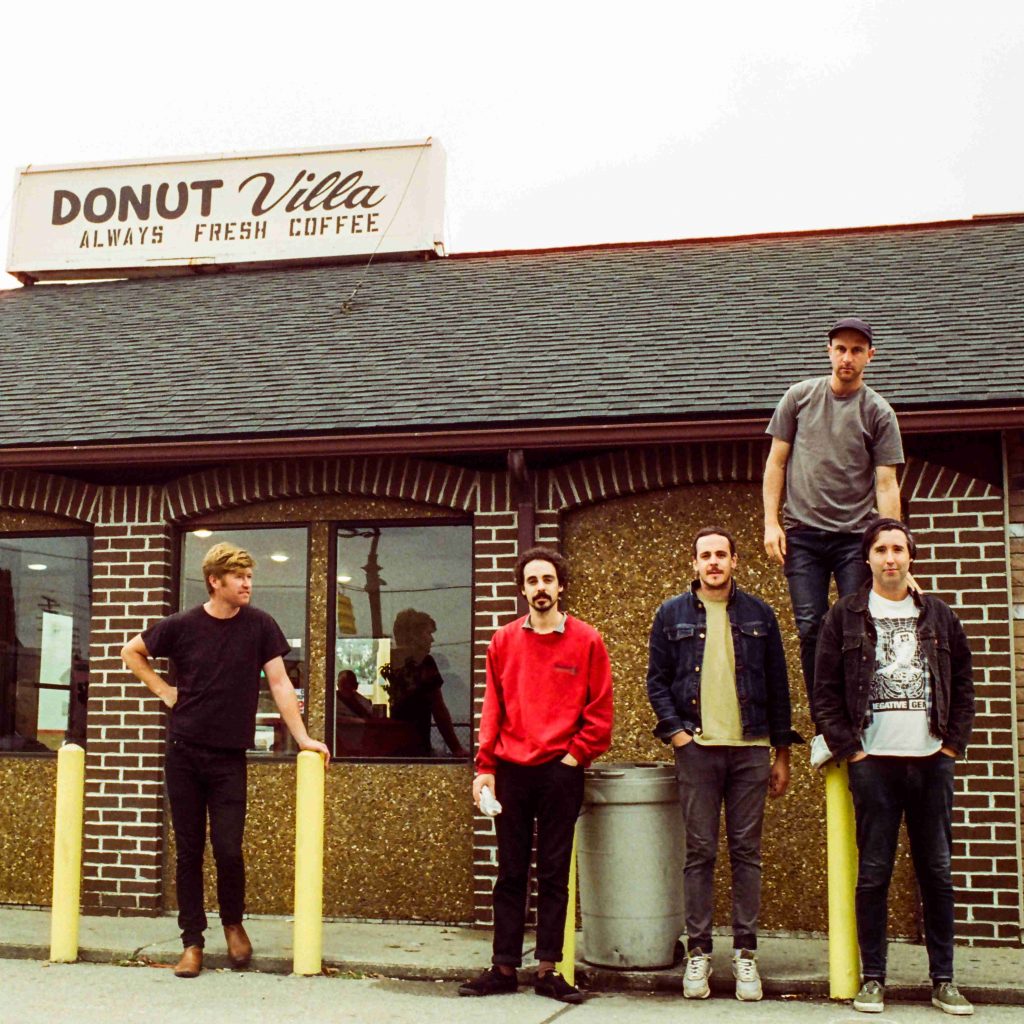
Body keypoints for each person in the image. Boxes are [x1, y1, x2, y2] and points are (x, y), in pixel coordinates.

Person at [121, 542, 330, 979]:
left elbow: (280, 684)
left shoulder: (260, 626)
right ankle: (192, 942)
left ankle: (233, 923)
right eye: (239, 578)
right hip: (183, 754)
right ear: (215, 581)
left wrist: (303, 738)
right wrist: (164, 691)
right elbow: (131, 652)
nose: (247, 584)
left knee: (229, 848)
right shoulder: (181, 626)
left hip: (229, 758)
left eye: (250, 577)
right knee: (189, 849)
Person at [813, 519, 975, 1016]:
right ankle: (873, 979)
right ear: (868, 558)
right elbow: (824, 693)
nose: (890, 558)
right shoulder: (844, 616)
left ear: (910, 556)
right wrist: (853, 752)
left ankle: (943, 980)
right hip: (874, 763)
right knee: (874, 875)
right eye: (881, 549)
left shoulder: (939, 615)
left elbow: (965, 683)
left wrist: (951, 748)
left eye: (898, 549)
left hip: (931, 762)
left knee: (938, 872)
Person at [646, 527, 798, 1001]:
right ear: (694, 563)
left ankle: (746, 955)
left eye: (721, 554)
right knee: (700, 853)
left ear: (735, 561)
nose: (713, 562)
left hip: (750, 749)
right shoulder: (671, 614)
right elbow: (656, 681)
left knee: (747, 853)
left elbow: (778, 685)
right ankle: (699, 953)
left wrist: (782, 752)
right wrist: (678, 733)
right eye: (705, 555)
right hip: (698, 751)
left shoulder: (760, 614)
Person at [459, 546, 613, 1004]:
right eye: (532, 581)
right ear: (522, 588)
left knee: (553, 872)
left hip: (560, 771)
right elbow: (492, 708)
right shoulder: (503, 641)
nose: (540, 588)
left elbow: (600, 710)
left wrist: (573, 758)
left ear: (560, 586)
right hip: (510, 769)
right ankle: (503, 966)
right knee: (509, 872)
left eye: (548, 579)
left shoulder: (587, 640)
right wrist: (485, 766)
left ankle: (549, 968)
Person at [763, 317, 905, 709]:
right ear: (829, 351)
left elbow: (886, 483)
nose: (847, 357)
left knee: (858, 626)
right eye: (840, 348)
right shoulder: (798, 398)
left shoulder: (878, 412)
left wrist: (889, 544)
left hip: (854, 539)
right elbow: (775, 463)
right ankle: (823, 711)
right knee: (810, 627)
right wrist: (771, 522)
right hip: (803, 536)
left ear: (869, 356)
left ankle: (859, 707)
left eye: (857, 350)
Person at [382, 608, 468, 757]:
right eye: (428, 633)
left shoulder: (387, 661)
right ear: (414, 635)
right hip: (417, 748)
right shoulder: (424, 664)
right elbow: (438, 708)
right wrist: (457, 749)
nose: (432, 639)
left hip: (390, 746)